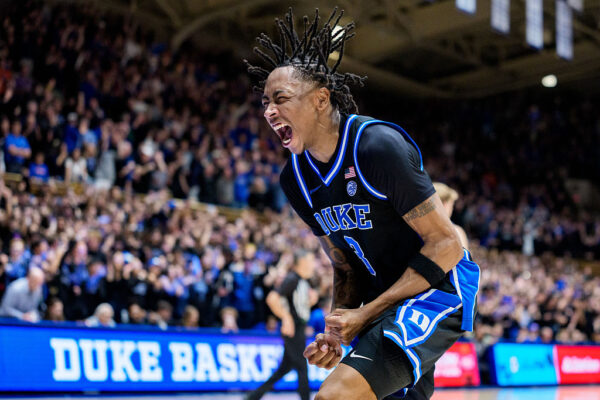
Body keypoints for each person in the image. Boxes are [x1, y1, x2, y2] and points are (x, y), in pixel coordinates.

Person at [246, 8, 480, 400]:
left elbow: (448, 245)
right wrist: (336, 330)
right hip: (383, 295)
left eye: (281, 99)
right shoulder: (295, 179)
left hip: (437, 288)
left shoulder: (376, 147)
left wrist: (367, 313)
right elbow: (345, 266)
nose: (269, 111)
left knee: (334, 396)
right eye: (266, 102)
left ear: (321, 99)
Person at [245, 250, 316, 400]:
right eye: (311, 261)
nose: (313, 265)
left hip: (299, 327)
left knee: (285, 368)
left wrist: (311, 301)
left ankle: (253, 396)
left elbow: (298, 306)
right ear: (302, 262)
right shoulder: (292, 279)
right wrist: (286, 318)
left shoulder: (304, 281)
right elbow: (272, 298)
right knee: (302, 366)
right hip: (292, 328)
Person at [433, 182, 469, 250]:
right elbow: (464, 256)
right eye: (451, 205)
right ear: (445, 204)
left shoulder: (419, 227)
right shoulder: (456, 232)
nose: (452, 209)